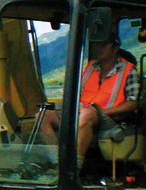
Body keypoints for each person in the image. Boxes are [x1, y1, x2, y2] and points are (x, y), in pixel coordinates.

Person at [40, 28, 139, 173]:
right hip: (81, 112)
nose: (99, 48)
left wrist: (106, 111)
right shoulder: (91, 67)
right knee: (43, 116)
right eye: (97, 45)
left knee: (86, 115)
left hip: (109, 117)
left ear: (115, 48)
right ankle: (58, 163)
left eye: (103, 45)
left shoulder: (128, 70)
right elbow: (78, 92)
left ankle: (74, 167)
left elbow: (132, 103)